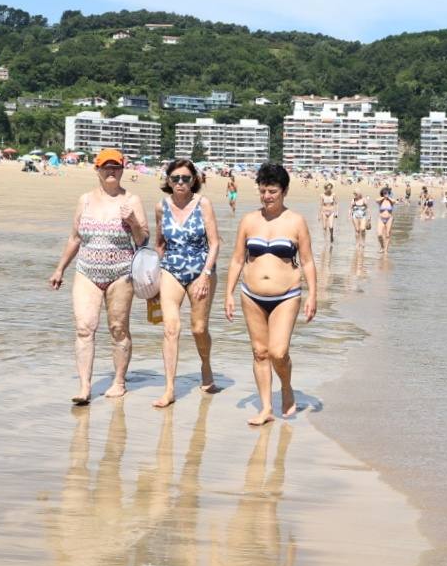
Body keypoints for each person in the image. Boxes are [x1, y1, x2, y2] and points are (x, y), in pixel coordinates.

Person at [48, 148, 150, 404]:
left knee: (118, 329)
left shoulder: (132, 200)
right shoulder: (84, 200)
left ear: (123, 169)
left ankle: (118, 382)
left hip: (121, 273)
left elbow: (143, 240)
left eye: (115, 166)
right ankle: (84, 387)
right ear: (97, 169)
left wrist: (134, 223)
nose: (111, 171)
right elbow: (75, 238)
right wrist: (60, 268)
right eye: (106, 166)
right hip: (87, 272)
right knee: (84, 328)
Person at [224, 163, 317, 426]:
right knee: (259, 352)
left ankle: (285, 386)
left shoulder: (296, 221)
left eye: (272, 191)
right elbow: (237, 259)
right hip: (251, 294)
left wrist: (313, 295)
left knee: (278, 352)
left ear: (284, 191)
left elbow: (308, 261)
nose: (267, 196)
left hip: (286, 295)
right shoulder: (249, 220)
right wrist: (228, 293)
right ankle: (266, 408)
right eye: (263, 190)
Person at [153, 159, 221, 408]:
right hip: (170, 269)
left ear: (194, 180)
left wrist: (205, 274)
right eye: (175, 179)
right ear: (168, 181)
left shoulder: (203, 204)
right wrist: (151, 276)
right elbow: (160, 243)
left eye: (185, 178)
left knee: (198, 328)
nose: (180, 183)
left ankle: (205, 364)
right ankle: (169, 388)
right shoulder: (161, 207)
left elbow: (214, 242)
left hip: (200, 270)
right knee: (171, 328)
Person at [377, 189, 395, 253]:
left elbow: (394, 201)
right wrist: (383, 198)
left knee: (387, 234)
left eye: (387, 193)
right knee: (379, 234)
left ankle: (386, 250)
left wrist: (388, 198)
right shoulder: (380, 201)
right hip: (381, 218)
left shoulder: (391, 201)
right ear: (382, 194)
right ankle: (382, 246)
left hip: (389, 218)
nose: (386, 194)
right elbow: (377, 200)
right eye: (384, 193)